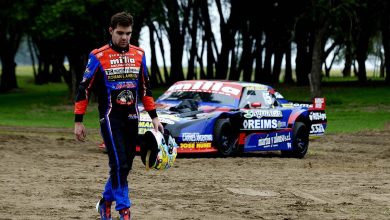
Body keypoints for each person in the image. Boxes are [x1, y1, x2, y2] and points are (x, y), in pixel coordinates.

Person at [74, 11, 163, 220]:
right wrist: (78, 120)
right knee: (118, 164)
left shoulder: (139, 54)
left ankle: (105, 202)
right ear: (111, 31)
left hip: (133, 118)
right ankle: (124, 211)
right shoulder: (98, 56)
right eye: (120, 33)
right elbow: (83, 89)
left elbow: (145, 89)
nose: (124, 37)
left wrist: (154, 117)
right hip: (110, 118)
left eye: (128, 33)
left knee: (126, 165)